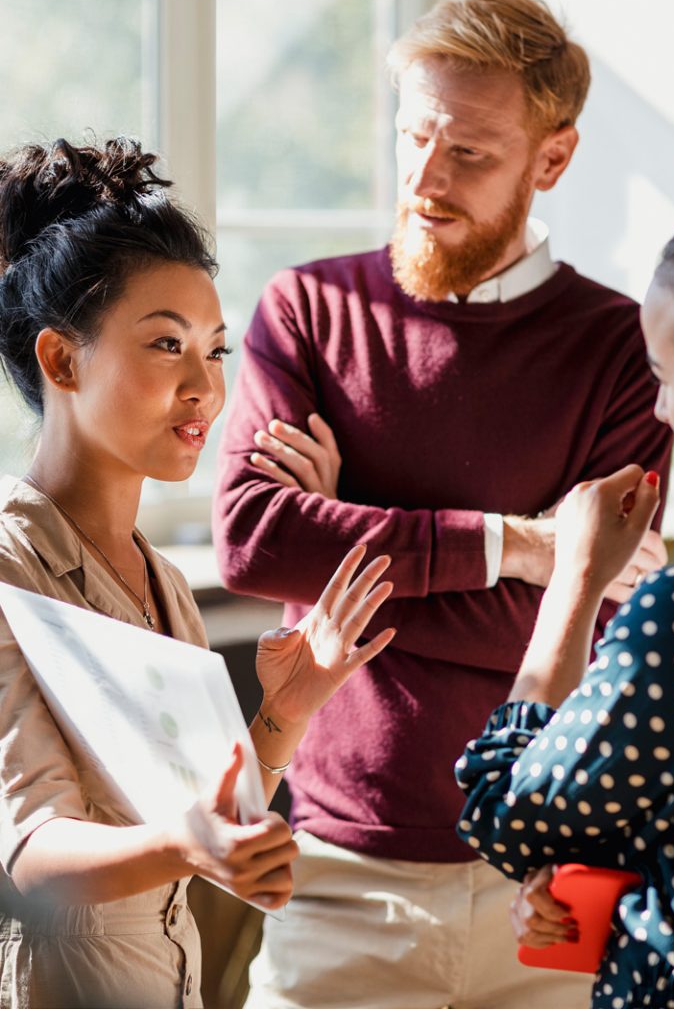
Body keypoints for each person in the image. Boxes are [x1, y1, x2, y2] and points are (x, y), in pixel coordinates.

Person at [213, 0, 672, 1009]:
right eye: (414, 136)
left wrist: (344, 545)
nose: (424, 179)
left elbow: (595, 626)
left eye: (468, 153)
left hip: (546, 887)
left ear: (550, 161)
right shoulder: (307, 311)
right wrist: (524, 548)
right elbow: (252, 541)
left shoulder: (625, 352)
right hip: (334, 876)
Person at [0, 137, 396, 1009]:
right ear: (61, 361)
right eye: (166, 345)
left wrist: (284, 715)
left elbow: (205, 824)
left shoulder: (161, 580)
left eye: (215, 352)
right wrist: (188, 845)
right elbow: (29, 854)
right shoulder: (9, 566)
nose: (205, 390)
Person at [456, 197, 674, 1008]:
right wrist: (616, 871)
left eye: (665, 378)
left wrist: (575, 579)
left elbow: (506, 810)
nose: (660, 411)